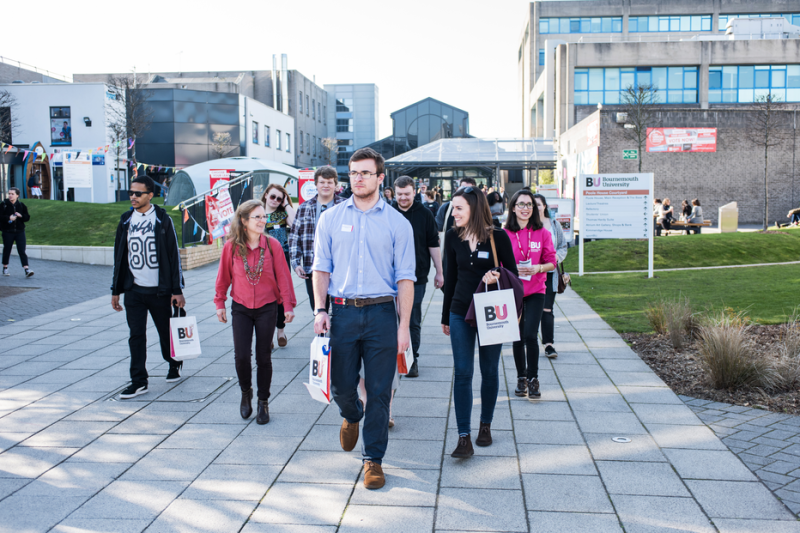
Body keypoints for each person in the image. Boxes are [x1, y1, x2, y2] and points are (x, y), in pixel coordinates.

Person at [312, 147, 415, 490]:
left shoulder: (397, 223)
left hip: (382, 313)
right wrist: (320, 309)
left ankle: (373, 459)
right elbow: (321, 268)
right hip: (341, 311)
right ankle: (351, 413)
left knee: (380, 390)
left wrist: (404, 327)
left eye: (365, 173)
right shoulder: (330, 218)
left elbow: (405, 279)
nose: (357, 178)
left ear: (379, 177)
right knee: (341, 385)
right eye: (353, 172)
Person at [442, 186, 518, 458]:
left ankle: (485, 425)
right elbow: (450, 279)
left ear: (473, 209)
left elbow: (512, 273)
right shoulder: (452, 236)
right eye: (453, 207)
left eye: (459, 207)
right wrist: (445, 316)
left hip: (491, 311)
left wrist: (495, 274)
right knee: (462, 372)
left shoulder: (497, 236)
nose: (454, 212)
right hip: (460, 310)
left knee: (489, 369)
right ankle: (464, 436)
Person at [215, 200, 296, 424]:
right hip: (240, 307)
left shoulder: (272, 246)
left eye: (264, 217)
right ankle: (245, 392)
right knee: (241, 356)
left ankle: (263, 401)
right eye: (257, 217)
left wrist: (288, 305)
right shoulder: (231, 246)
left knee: (264, 357)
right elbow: (223, 278)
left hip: (267, 307)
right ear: (243, 221)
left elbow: (284, 278)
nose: (263, 221)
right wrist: (219, 302)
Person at [111, 176, 184, 399]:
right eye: (130, 193)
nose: (133, 197)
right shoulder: (125, 221)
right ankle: (138, 381)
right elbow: (119, 256)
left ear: (150, 195)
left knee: (165, 332)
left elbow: (173, 256)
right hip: (134, 290)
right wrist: (115, 290)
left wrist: (177, 289)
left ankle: (173, 363)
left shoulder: (162, 219)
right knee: (136, 336)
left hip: (159, 291)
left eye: (138, 193)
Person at [505, 190, 556, 399]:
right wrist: (511, 270)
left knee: (530, 335)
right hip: (513, 291)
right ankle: (521, 378)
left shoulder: (542, 232)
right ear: (513, 207)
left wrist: (539, 268)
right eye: (521, 204)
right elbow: (498, 263)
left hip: (536, 290)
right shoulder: (505, 233)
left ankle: (534, 378)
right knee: (517, 336)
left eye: (529, 205)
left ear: (534, 209)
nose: (525, 208)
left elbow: (553, 262)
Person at [393, 175, 444, 378]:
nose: (403, 198)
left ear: (415, 192)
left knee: (411, 319)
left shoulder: (425, 214)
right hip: (389, 276)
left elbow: (433, 244)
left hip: (417, 276)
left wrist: (439, 272)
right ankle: (391, 358)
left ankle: (411, 360)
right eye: (399, 194)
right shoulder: (387, 212)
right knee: (390, 319)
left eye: (407, 194)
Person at [288, 166, 345, 312]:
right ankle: (322, 335)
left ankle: (338, 335)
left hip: (341, 268)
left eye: (329, 182)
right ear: (316, 184)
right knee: (318, 309)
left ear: (335, 184)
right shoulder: (304, 207)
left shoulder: (345, 207)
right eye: (322, 182)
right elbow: (295, 236)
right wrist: (295, 262)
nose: (326, 185)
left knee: (342, 310)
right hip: (313, 266)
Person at [261, 184, 296, 348]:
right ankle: (267, 335)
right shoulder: (257, 213)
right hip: (261, 259)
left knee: (281, 295)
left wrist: (287, 204)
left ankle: (280, 331)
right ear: (266, 194)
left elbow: (296, 223)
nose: (275, 200)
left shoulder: (282, 214)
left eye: (279, 198)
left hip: (282, 258)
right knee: (266, 297)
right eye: (273, 196)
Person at [533, 194, 568, 360]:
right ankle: (528, 341)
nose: (535, 207)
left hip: (550, 274)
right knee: (530, 310)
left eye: (538, 204)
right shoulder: (527, 225)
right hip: (531, 275)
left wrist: (554, 260)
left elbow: (562, 246)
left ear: (544, 206)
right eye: (532, 205)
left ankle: (548, 344)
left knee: (547, 309)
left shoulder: (554, 225)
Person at [2, 188, 33, 278]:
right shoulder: (4, 205)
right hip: (7, 231)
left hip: (20, 231)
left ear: (17, 195)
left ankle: (26, 269)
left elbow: (27, 217)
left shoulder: (21, 205)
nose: (10, 195)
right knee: (7, 249)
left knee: (22, 250)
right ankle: (5, 267)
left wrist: (21, 216)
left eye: (12, 194)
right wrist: (8, 217)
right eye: (9, 194)